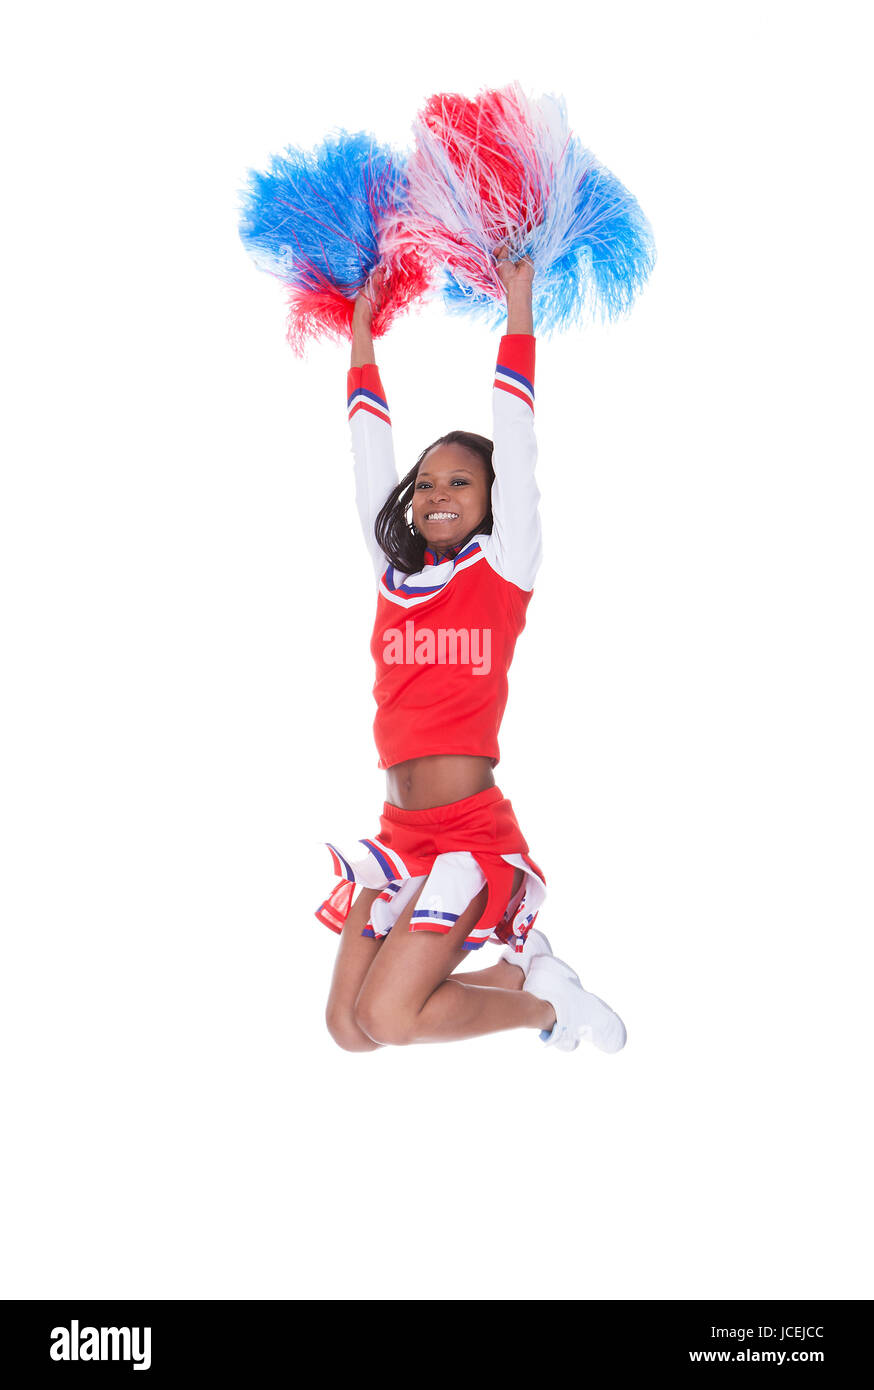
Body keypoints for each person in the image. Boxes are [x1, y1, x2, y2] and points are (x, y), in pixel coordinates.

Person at [315, 251, 626, 1055]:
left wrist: (517, 308)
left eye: (460, 483)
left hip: (465, 835)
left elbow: (516, 436)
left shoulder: (504, 569)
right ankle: (535, 977)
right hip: (399, 827)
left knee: (388, 1017)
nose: (438, 494)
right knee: (350, 1031)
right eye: (426, 484)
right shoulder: (392, 576)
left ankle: (544, 1008)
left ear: (489, 502)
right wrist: (361, 336)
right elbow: (367, 454)